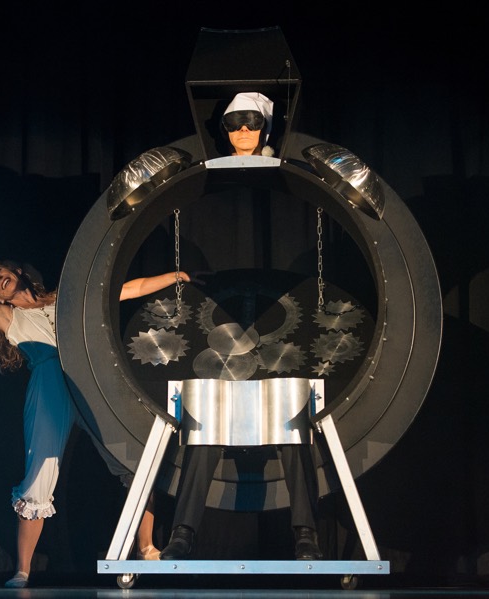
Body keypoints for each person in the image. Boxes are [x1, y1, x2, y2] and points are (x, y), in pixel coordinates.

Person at [0, 218, 189, 587]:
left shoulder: (68, 297)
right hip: (50, 381)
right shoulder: (9, 317)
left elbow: (127, 288)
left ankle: (147, 547)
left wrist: (175, 277)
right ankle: (22, 571)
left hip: (88, 376)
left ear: (15, 271)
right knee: (40, 474)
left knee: (134, 460)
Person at [158, 92, 323, 562]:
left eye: (252, 125)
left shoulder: (282, 170)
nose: (244, 133)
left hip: (274, 359)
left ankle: (306, 534)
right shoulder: (211, 174)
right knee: (203, 432)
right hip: (222, 364)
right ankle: (183, 534)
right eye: (235, 126)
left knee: (294, 431)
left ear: (266, 128)